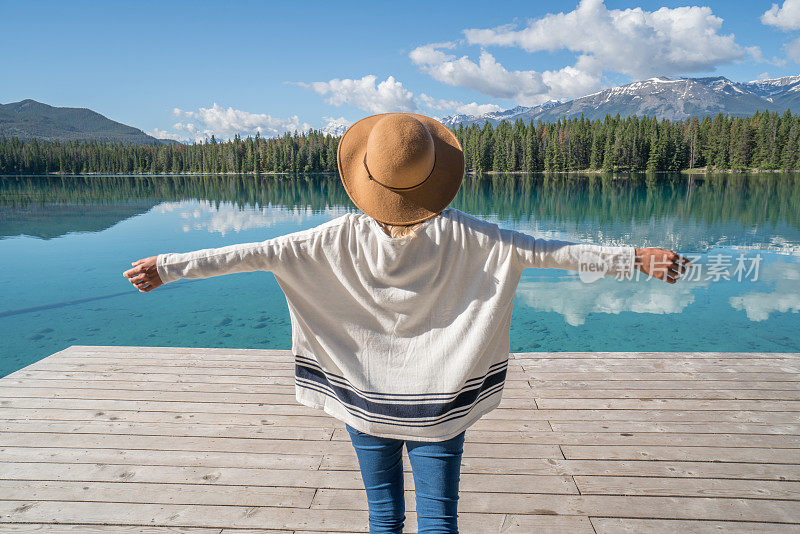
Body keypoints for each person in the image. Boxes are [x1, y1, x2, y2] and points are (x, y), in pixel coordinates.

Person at [123, 113, 690, 534]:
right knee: (440, 519)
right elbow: (552, 252)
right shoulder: (476, 238)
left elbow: (244, 254)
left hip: (363, 396)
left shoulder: (325, 242)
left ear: (365, 175)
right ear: (435, 175)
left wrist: (166, 267)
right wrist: (634, 258)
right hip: (441, 401)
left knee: (383, 516)